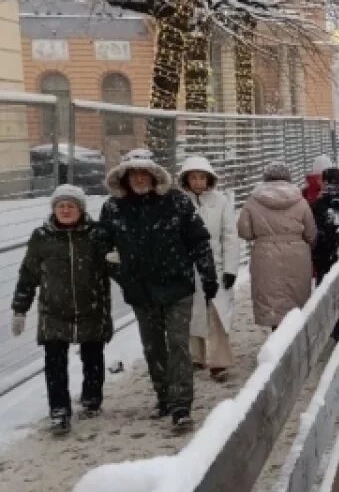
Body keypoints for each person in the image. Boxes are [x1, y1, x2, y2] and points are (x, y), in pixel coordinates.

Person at [100, 149, 217, 430]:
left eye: (144, 173)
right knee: (153, 347)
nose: (139, 178)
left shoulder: (176, 201)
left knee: (178, 344)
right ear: (125, 177)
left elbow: (198, 239)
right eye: (134, 173)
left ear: (154, 174)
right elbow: (102, 247)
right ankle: (163, 395)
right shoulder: (113, 207)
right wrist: (122, 274)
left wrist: (207, 273)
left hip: (177, 285)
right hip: (140, 290)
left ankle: (181, 405)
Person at [11, 185, 113, 434]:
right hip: (54, 311)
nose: (66, 210)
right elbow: (29, 274)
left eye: (71, 206)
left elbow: (116, 268)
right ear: (54, 209)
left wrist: (120, 263)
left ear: (81, 209)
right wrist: (19, 308)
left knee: (93, 357)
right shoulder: (42, 237)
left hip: (92, 306)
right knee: (54, 362)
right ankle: (59, 411)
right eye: (61, 206)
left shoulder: (97, 234)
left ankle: (91, 398)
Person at [179, 156, 239, 382]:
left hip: (216, 266)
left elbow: (230, 236)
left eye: (202, 177)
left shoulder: (220, 201)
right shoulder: (179, 202)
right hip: (188, 267)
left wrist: (231, 269)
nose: (198, 182)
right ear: (186, 179)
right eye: (193, 177)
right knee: (191, 313)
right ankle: (196, 356)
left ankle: (219, 361)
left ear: (209, 179)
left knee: (217, 314)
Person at [238, 162, 318, 330]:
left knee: (272, 301)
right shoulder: (300, 201)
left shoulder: (253, 201)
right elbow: (311, 232)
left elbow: (244, 231)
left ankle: (276, 338)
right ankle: (294, 340)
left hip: (265, 255)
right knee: (295, 297)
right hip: (296, 254)